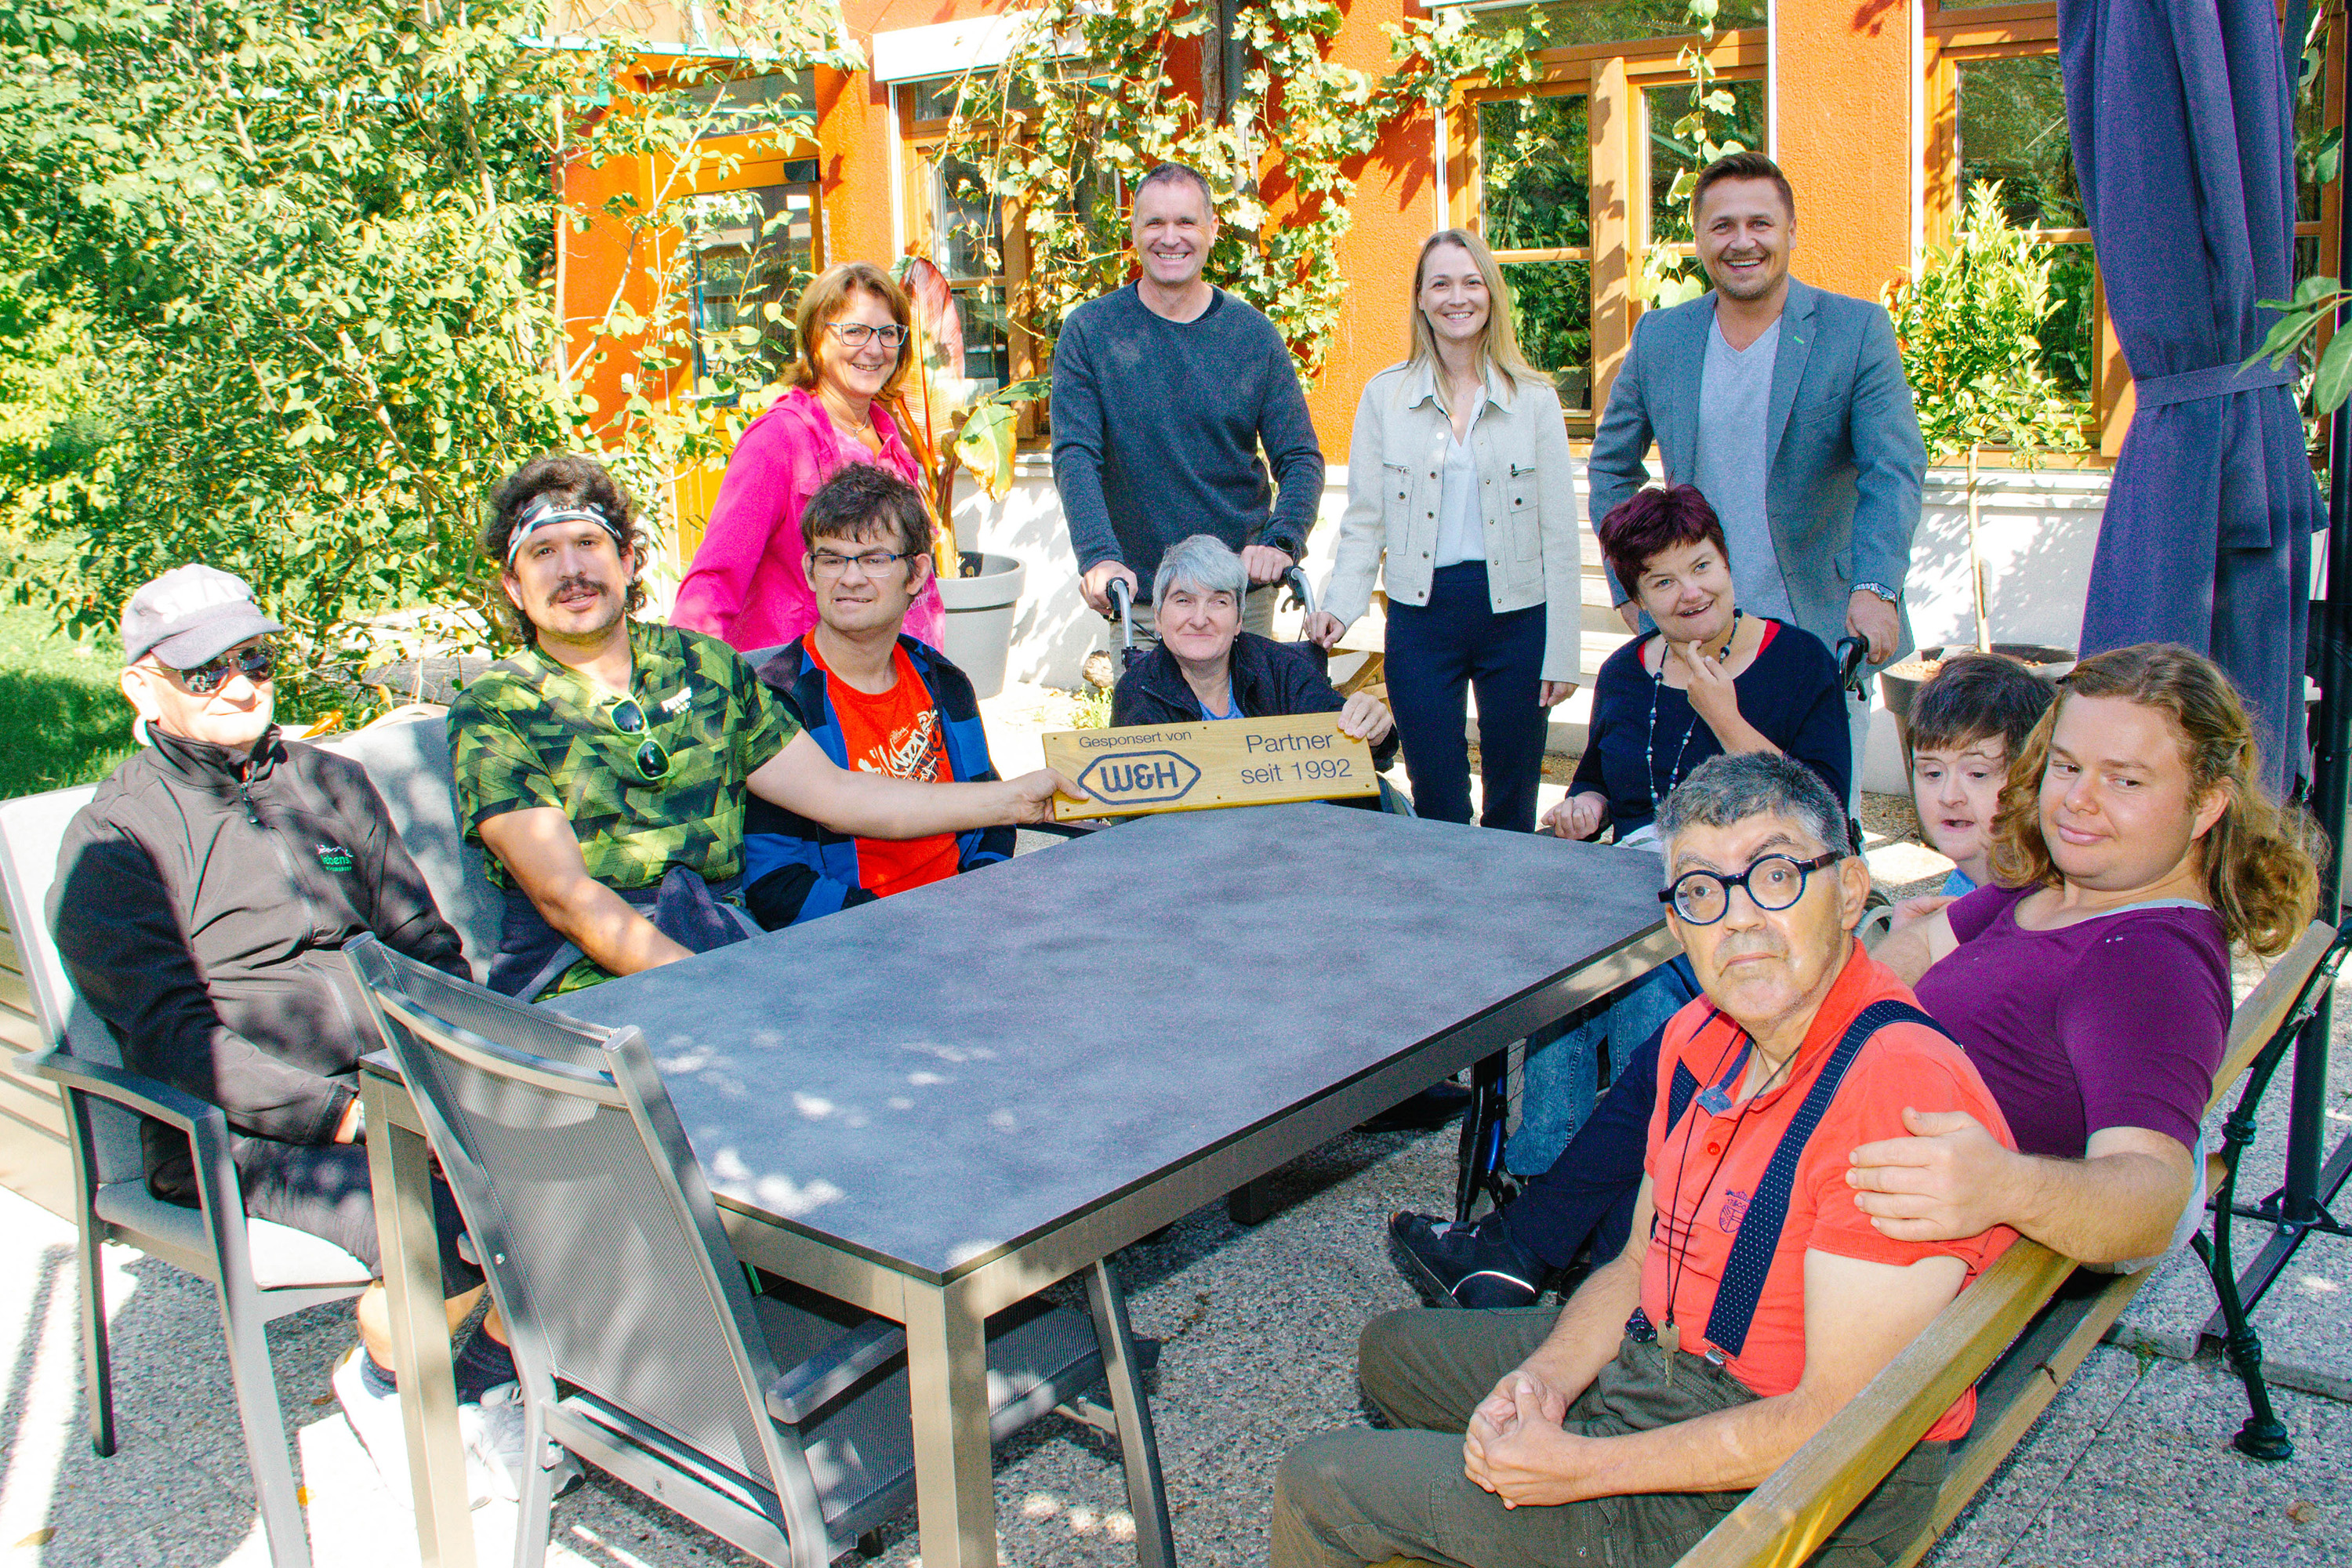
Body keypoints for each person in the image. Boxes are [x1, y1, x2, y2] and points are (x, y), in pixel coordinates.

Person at [1388, 644, 2319, 1310]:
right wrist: (1802, 983)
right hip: (1847, 1109)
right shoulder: (2062, 888)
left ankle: (1540, 1256)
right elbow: (1911, 950)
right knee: (1712, 1019)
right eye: (2068, 765)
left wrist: (1999, 1183)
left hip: (1882, 1202)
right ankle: (1532, 1253)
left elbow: (2152, 1195)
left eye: (2124, 781)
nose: (2076, 799)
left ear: (2206, 804)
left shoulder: (2146, 961)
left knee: (1697, 1034)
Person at [1272, 753, 2016, 1568]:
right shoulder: (1704, 1036)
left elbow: (1836, 1422)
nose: (1737, 919)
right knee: (1395, 1353)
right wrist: (1547, 1383)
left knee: (1325, 1482)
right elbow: (1636, 1261)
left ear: (1847, 892)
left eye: (1774, 874)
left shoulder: (1892, 1090)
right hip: (1668, 1364)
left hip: (1789, 1493)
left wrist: (1584, 1468)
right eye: (1701, 890)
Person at [47, 566, 565, 1504]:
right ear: (141, 685)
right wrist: (353, 1115)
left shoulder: (330, 781)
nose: (241, 684)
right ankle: (390, 1382)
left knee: (588, 1160)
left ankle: (481, 1371)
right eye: (205, 671)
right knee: (446, 1213)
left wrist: (458, 1061)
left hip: (395, 1081)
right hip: (243, 1126)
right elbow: (177, 1045)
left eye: (254, 657)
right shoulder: (113, 844)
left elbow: (424, 944)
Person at [449, 454, 1076, 1001]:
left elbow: (840, 796)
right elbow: (566, 897)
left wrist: (1013, 798)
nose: (571, 571)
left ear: (629, 559)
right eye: (542, 553)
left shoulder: (704, 668)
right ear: (513, 583)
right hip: (584, 979)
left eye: (588, 544)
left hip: (726, 939)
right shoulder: (498, 707)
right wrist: (717, 991)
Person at [1489, 483, 1849, 1180]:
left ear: (1727, 563)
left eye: (1703, 566)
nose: (1690, 593)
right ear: (1637, 600)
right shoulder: (1627, 671)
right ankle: (1546, 1177)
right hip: (1635, 890)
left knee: (1639, 991)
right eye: (1664, 581)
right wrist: (1585, 807)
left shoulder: (1798, 660)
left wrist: (1725, 717)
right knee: (1559, 975)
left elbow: (1823, 809)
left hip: (1755, 895)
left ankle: (1639, 1195)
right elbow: (1596, 773)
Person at [1585, 150, 1926, 803]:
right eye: (1722, 226)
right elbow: (1611, 465)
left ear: (1791, 232)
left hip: (1820, 630)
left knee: (1818, 820)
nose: (1743, 241)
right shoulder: (1661, 336)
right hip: (1697, 629)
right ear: (1699, 239)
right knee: (1701, 817)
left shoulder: (1854, 331)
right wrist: (1631, 587)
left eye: (1761, 224)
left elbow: (1895, 467)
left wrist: (1877, 586)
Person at [1301, 228, 1577, 833]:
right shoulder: (1385, 395)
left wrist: (1562, 649)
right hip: (1421, 618)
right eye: (1441, 284)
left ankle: (1506, 917)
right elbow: (1364, 520)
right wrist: (1339, 607)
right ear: (1421, 299)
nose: (1459, 297)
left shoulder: (1534, 399)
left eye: (1472, 282)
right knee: (1437, 795)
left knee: (1513, 792)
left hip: (1518, 618)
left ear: (1492, 295)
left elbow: (1559, 533)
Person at [1053, 162, 1324, 641]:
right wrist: (1099, 557)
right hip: (1141, 600)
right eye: (1154, 222)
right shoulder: (1090, 332)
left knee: (1249, 718)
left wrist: (1281, 541)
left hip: (1237, 600)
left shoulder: (1252, 335)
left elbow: (1300, 457)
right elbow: (1076, 456)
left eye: (1186, 222)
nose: (1169, 237)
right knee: (1150, 720)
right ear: (1134, 230)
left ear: (1212, 230)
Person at [742, 463, 1013, 928]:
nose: (849, 578)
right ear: (809, 570)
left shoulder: (943, 682)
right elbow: (774, 882)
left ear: (916, 574)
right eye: (831, 558)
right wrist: (899, 927)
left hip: (964, 916)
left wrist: (976, 898)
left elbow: (991, 812)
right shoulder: (776, 704)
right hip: (855, 939)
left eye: (873, 559)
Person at [670, 261, 946, 653]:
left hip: (897, 680)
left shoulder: (890, 437)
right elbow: (716, 579)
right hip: (807, 692)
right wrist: (692, 684)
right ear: (815, 340)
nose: (874, 349)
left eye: (888, 333)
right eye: (854, 331)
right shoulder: (779, 440)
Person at [1112, 534, 1396, 771]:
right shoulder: (1140, 691)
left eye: (1218, 602)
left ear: (1238, 621)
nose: (1199, 619)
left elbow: (1349, 740)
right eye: (1184, 600)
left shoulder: (1280, 668)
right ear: (1159, 618)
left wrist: (1373, 729)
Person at [1901, 652, 2056, 898]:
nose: (1949, 796)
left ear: (2031, 775)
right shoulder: (1961, 885)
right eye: (1932, 773)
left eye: (1977, 773)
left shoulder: (2038, 912)